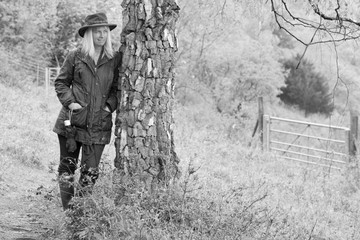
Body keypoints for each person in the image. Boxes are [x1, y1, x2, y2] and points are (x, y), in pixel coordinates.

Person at [53, 12, 121, 210]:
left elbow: (117, 88)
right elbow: (61, 83)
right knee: (67, 169)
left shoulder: (114, 58)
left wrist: (109, 106)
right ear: (89, 34)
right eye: (97, 31)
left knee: (90, 172)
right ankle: (69, 213)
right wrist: (71, 102)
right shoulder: (76, 55)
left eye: (105, 31)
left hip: (99, 125)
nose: (101, 35)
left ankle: (80, 215)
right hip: (72, 123)